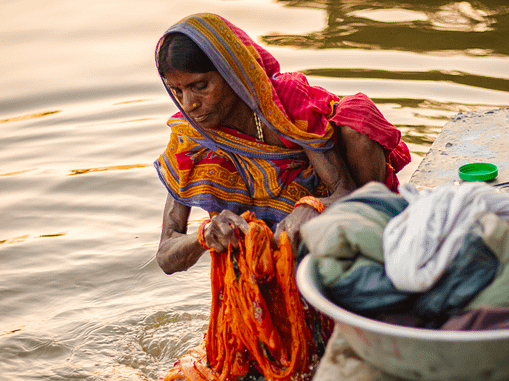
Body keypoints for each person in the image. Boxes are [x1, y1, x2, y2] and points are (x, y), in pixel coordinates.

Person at [154, 13, 411, 274]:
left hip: (319, 240)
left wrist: (312, 206)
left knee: (357, 121)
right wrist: (205, 234)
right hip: (254, 266)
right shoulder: (190, 138)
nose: (188, 104)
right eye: (177, 91)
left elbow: (345, 191)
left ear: (232, 71)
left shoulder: (286, 107)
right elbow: (166, 257)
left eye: (200, 86)